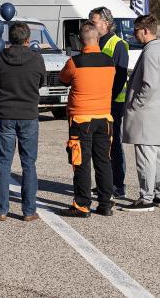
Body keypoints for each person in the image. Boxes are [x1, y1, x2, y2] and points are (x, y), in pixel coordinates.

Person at [58, 23, 115, 218]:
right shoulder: (110, 62)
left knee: (81, 162)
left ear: (80, 41)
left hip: (82, 119)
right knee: (104, 161)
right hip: (105, 118)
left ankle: (82, 205)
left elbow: (63, 78)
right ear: (98, 39)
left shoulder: (75, 62)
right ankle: (106, 204)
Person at [0, 22, 46, 222]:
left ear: (9, 39)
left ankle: (1, 209)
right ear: (27, 39)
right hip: (28, 115)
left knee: (4, 163)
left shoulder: (0, 59)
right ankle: (29, 210)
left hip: (6, 114)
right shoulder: (36, 59)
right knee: (28, 163)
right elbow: (42, 82)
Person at [121, 15, 160, 212]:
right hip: (158, 111)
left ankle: (146, 197)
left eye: (136, 31)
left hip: (145, 114)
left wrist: (135, 104)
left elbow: (148, 85)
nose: (134, 34)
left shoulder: (150, 52)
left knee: (145, 157)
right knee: (159, 155)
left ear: (145, 31)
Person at [89, 6, 129, 199]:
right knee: (99, 145)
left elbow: (120, 77)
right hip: (96, 103)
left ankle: (118, 185)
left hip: (113, 103)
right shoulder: (94, 43)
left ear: (106, 23)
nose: (91, 24)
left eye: (94, 21)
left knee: (113, 145)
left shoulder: (117, 44)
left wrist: (107, 97)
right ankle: (104, 183)